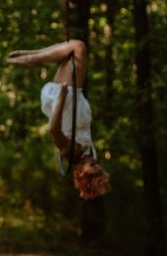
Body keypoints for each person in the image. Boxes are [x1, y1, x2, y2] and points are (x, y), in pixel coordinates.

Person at [7, 39, 110, 199]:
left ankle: (31, 59)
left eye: (93, 167)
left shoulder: (71, 152)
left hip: (65, 97)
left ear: (81, 172)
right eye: (99, 167)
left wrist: (61, 98)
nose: (96, 163)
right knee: (71, 50)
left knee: (78, 47)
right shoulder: (87, 155)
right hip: (75, 96)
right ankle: (31, 56)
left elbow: (54, 129)